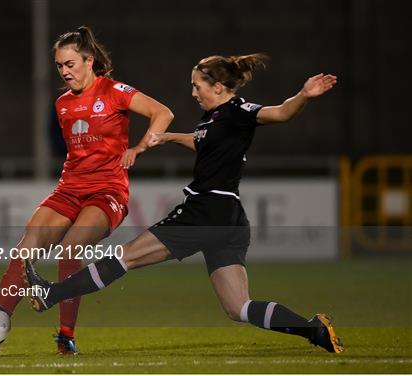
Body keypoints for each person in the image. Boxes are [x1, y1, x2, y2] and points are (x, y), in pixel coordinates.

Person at [24, 53, 344, 354]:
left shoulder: (238, 111)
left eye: (197, 85)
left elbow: (281, 112)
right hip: (229, 220)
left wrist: (303, 95)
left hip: (204, 212)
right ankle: (313, 330)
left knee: (125, 257)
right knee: (239, 308)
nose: (193, 92)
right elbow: (204, 143)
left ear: (218, 87)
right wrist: (169, 137)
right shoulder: (215, 118)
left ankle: (50, 294)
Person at [0, 26, 174, 355]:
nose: (65, 71)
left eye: (70, 64)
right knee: (26, 248)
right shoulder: (63, 104)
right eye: (60, 66)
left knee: (71, 246)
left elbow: (162, 113)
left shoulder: (115, 91)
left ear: (88, 61)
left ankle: (66, 335)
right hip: (69, 189)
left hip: (107, 192)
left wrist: (140, 147)